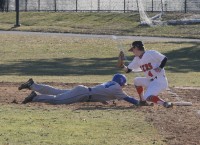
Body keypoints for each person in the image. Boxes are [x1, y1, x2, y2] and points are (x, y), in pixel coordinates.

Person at [19, 74, 147, 106]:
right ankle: (34, 96)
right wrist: (139, 102)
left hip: (84, 90)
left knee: (56, 91)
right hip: (83, 93)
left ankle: (32, 85)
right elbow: (128, 99)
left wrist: (102, 100)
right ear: (121, 83)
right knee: (58, 100)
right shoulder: (117, 88)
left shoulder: (111, 83)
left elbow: (101, 92)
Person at [119, 41, 173, 108]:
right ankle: (142, 101)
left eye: (133, 49)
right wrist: (122, 66)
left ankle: (164, 103)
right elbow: (128, 70)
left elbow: (164, 58)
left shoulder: (151, 53)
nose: (132, 51)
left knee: (147, 96)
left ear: (136, 48)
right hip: (150, 80)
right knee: (137, 80)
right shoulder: (137, 59)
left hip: (160, 81)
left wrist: (160, 67)